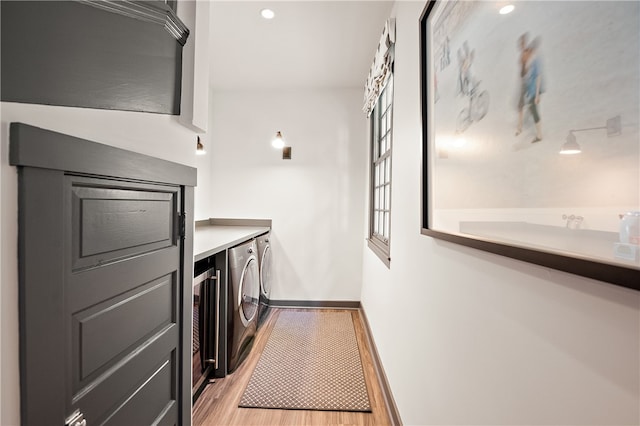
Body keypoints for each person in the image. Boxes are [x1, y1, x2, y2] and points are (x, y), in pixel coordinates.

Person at [525, 37, 543, 143]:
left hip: (534, 92)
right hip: (531, 92)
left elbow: (538, 77)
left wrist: (537, 95)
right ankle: (539, 133)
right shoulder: (531, 63)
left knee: (534, 111)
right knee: (532, 109)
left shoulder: (535, 62)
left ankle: (539, 135)